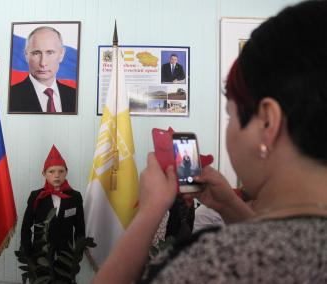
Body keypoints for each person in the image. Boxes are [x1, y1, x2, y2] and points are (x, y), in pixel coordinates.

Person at [93, 1, 327, 283]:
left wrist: (150, 210)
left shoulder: (210, 263)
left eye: (230, 115)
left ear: (267, 123)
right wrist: (229, 206)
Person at [20, 145, 85, 282]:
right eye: (51, 171)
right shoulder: (36, 196)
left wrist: (77, 253)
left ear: (66, 172)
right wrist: (28, 251)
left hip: (66, 255)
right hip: (40, 254)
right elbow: (26, 226)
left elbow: (80, 227)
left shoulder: (75, 197)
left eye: (61, 171)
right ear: (44, 173)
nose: (56, 175)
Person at [9, 26, 77, 113]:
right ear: (26, 55)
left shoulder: (74, 95)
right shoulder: (11, 96)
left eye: (50, 53)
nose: (43, 63)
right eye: (36, 53)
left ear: (61, 54)